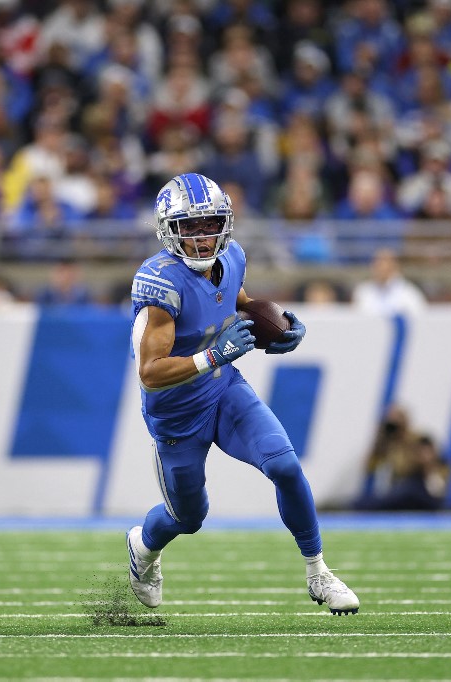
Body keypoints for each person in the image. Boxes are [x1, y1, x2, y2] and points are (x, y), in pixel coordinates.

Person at [125, 172, 360, 615]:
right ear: (167, 231)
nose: (202, 236)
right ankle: (143, 547)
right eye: (189, 227)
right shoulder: (159, 282)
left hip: (222, 391)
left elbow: (237, 301)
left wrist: (280, 326)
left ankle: (318, 572)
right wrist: (214, 355)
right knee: (188, 518)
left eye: (210, 223)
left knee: (286, 465)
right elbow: (151, 373)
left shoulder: (232, 257)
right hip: (176, 414)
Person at [351, 248, 428, 316]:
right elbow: (355, 318)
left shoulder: (409, 293)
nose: (378, 266)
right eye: (376, 262)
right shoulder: (363, 291)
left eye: (383, 262)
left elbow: (420, 319)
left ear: (394, 265)